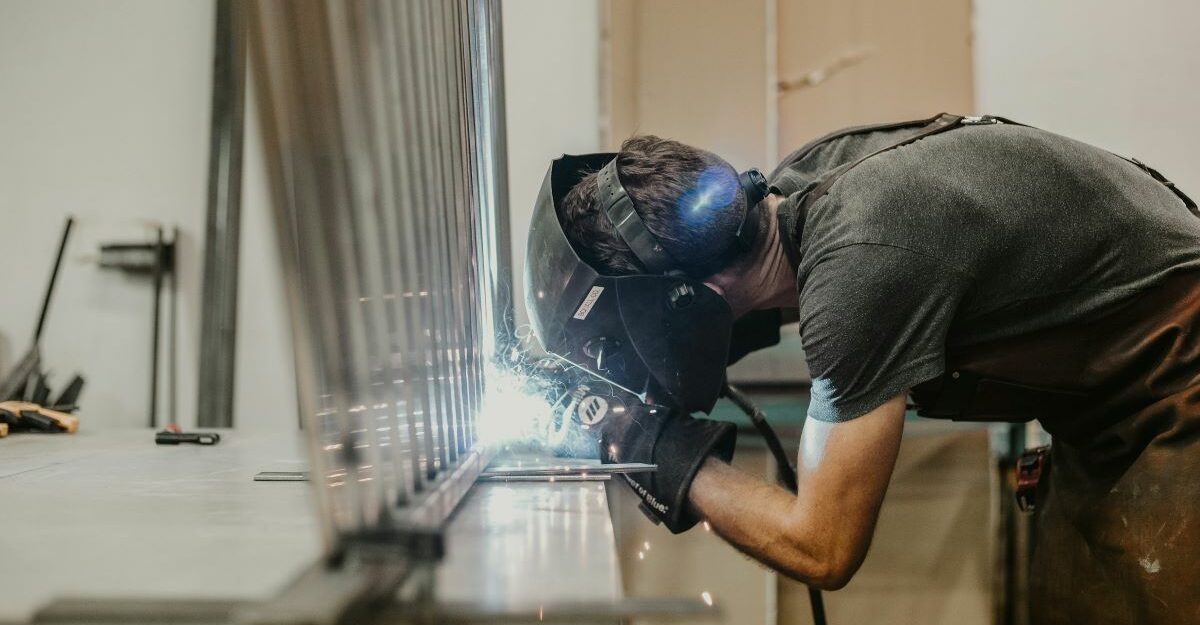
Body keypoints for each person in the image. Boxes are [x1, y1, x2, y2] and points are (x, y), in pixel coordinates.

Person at [540, 114, 1200, 624]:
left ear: (685, 296)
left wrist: (649, 443)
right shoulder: (797, 190)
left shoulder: (856, 264)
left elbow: (821, 547)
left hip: (1177, 380)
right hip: (1107, 409)